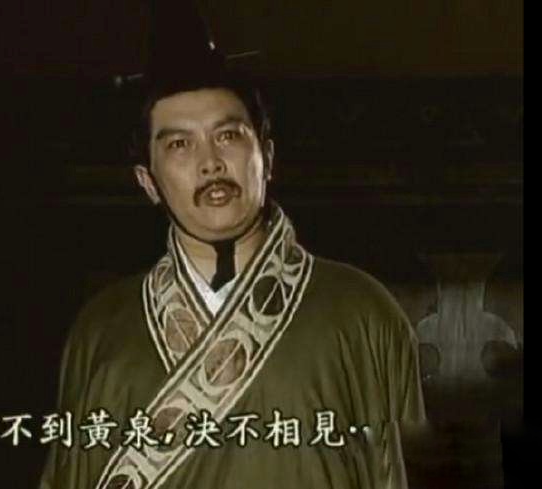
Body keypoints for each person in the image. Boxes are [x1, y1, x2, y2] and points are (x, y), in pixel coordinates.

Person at [38, 2, 427, 488]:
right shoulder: (101, 328)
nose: (210, 162)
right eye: (179, 145)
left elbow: (404, 469)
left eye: (228, 136)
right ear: (147, 182)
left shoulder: (362, 312)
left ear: (268, 156)